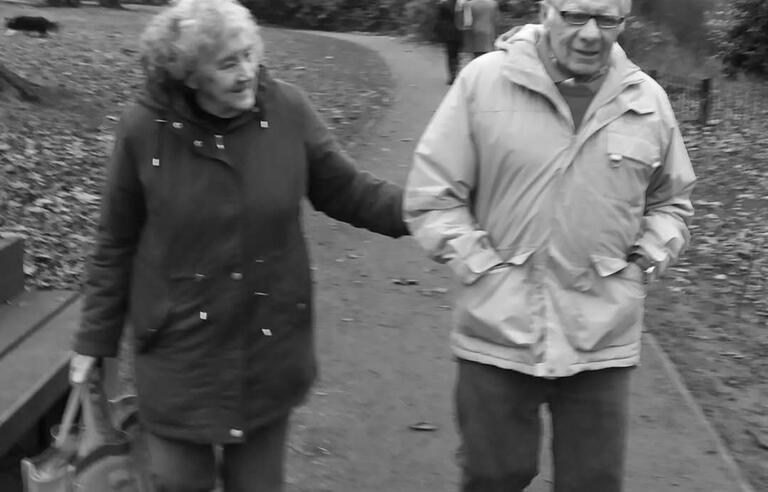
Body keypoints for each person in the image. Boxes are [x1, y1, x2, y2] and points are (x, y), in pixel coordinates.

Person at [68, 0, 408, 490]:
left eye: (250, 54)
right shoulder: (144, 129)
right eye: (228, 63)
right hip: (179, 345)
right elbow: (115, 241)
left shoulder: (287, 110)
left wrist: (423, 211)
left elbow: (347, 189)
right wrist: (93, 342)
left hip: (265, 343)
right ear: (189, 75)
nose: (247, 72)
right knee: (178, 481)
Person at [404, 0, 696, 490]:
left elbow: (673, 201)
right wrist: (481, 267)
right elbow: (432, 196)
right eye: (575, 16)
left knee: (594, 481)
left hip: (601, 337)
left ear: (623, 23)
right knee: (493, 476)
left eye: (607, 20)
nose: (590, 34)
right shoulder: (484, 82)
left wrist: (646, 258)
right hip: (497, 333)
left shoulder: (647, 100)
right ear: (547, 11)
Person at [434, 0, 464, 84]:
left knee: (450, 54)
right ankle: (457, 73)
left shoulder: (443, 4)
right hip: (459, 31)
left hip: (448, 32)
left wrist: (438, 32)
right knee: (457, 54)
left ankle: (452, 75)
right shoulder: (462, 4)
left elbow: (439, 19)